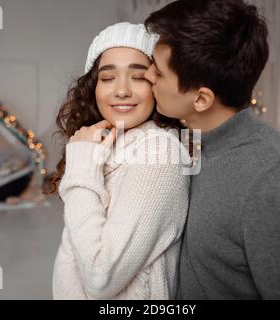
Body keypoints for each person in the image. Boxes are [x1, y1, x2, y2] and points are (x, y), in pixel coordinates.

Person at [144, 0, 280, 299]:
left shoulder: (275, 181)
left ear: (201, 99)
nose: (147, 77)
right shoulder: (187, 141)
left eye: (158, 73)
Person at [50, 22, 190, 299]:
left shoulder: (159, 154)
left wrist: (80, 168)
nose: (121, 90)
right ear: (93, 88)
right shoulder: (105, 145)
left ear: (157, 85)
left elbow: (100, 277)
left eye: (138, 77)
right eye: (107, 77)